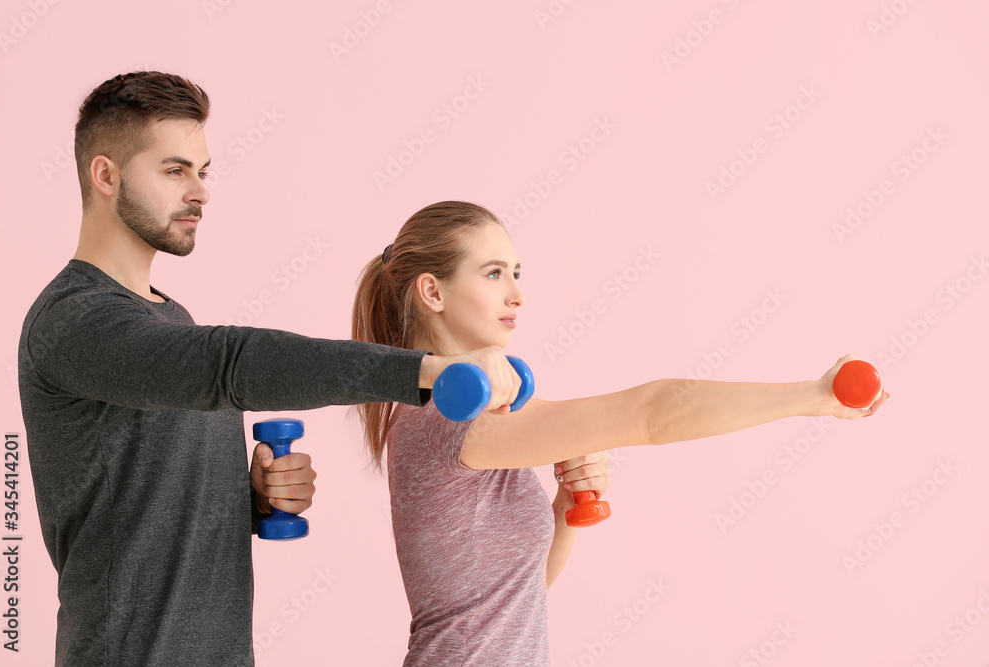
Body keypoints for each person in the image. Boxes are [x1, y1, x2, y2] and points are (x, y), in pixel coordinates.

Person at [17, 73, 523, 667]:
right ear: (106, 176)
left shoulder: (170, 320)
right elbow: (231, 363)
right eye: (175, 170)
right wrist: (429, 370)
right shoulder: (73, 322)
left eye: (203, 172)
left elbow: (143, 496)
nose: (200, 192)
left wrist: (252, 500)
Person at [351, 200, 889, 666]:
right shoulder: (447, 418)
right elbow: (654, 412)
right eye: (493, 274)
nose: (517, 294)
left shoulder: (467, 418)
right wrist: (812, 397)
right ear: (433, 291)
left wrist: (565, 505)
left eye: (518, 272)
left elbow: (520, 597)